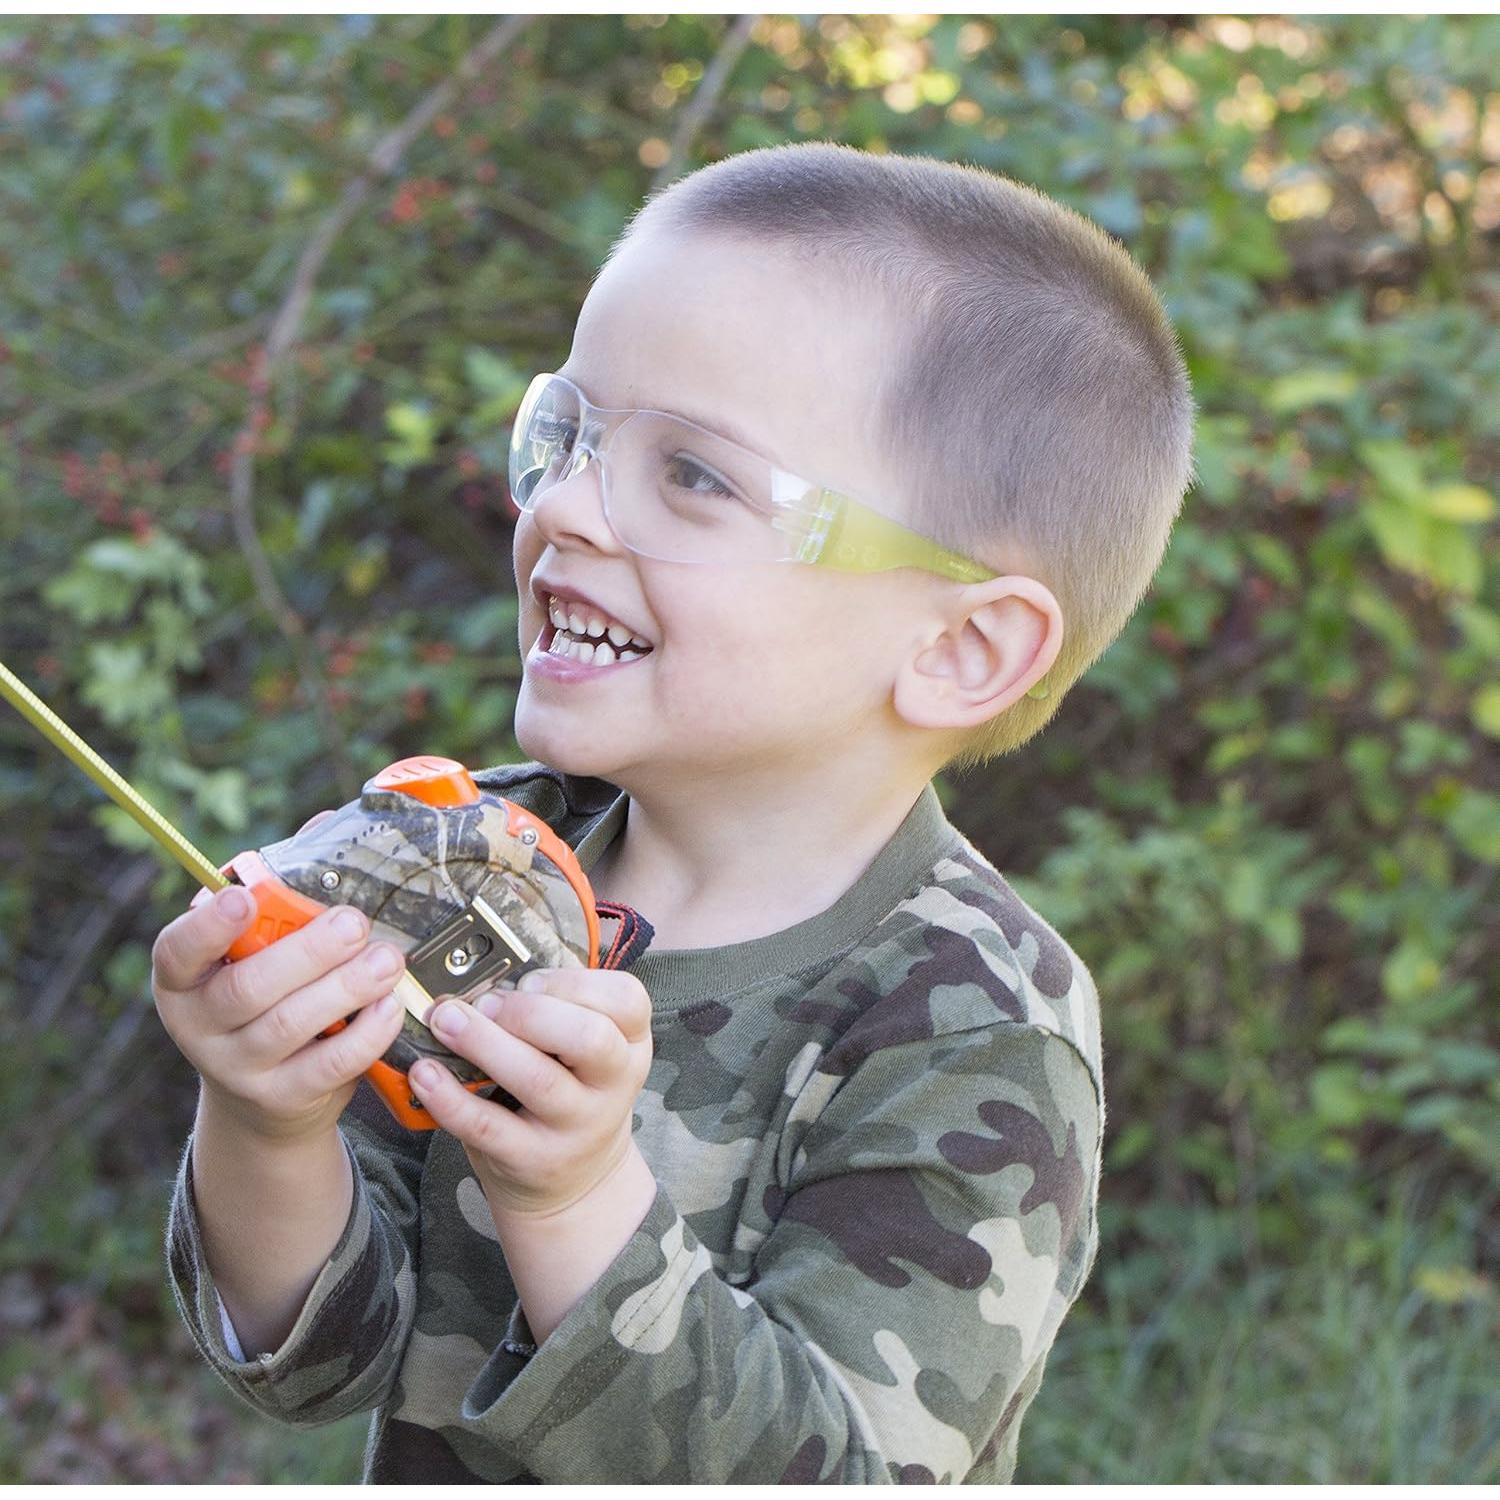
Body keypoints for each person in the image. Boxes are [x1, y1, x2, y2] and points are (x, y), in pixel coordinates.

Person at [155, 141, 1192, 1482]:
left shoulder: (974, 1020)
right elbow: (319, 1360)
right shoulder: (464, 866)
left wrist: (576, 1202)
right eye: (570, 434)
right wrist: (265, 1117)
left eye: (696, 475)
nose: (566, 506)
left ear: (961, 649)